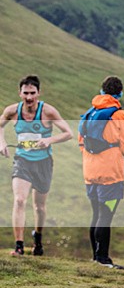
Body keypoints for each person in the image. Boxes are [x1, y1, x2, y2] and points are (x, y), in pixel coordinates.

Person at [0, 75, 73, 256]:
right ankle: (19, 246)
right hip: (22, 161)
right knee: (19, 200)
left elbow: (68, 133)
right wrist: (1, 142)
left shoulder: (48, 111)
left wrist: (49, 139)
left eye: (33, 93)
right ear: (20, 93)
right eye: (26, 93)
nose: (29, 97)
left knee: (39, 207)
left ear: (39, 93)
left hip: (43, 163)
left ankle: (38, 238)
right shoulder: (12, 111)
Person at [78, 76, 124, 269]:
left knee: (96, 213)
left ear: (102, 90)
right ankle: (103, 258)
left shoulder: (89, 112)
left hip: (90, 171)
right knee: (106, 213)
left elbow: (81, 142)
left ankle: (96, 257)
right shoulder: (119, 115)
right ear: (120, 93)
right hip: (110, 174)